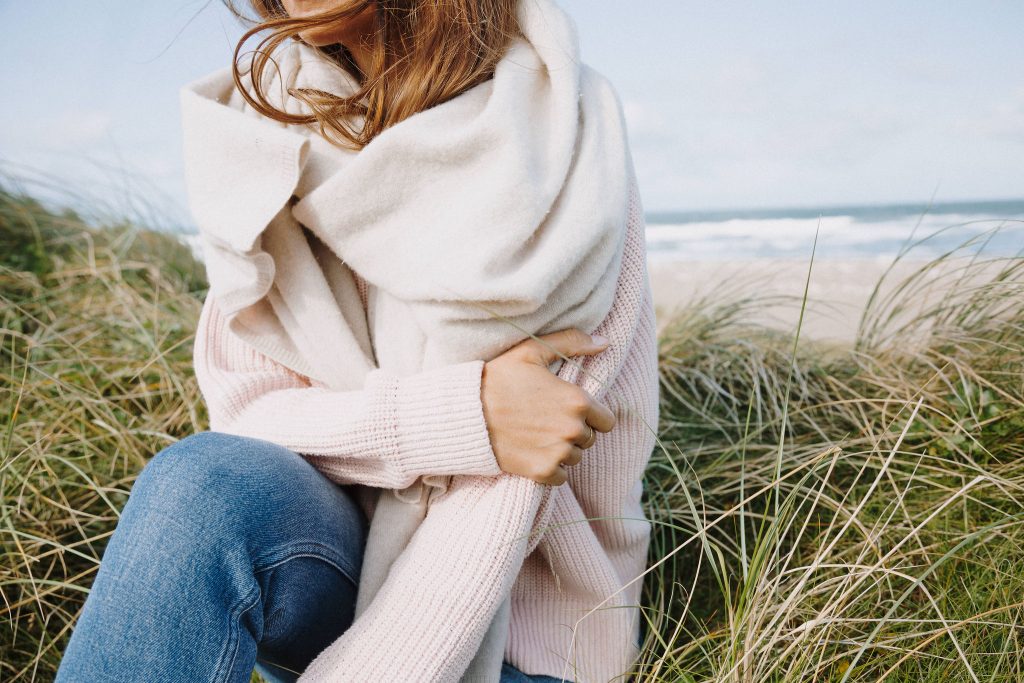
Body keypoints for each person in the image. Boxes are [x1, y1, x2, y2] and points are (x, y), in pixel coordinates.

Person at [54, 0, 660, 681]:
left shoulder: (557, 135)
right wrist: (461, 417)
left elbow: (500, 499)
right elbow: (250, 410)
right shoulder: (264, 138)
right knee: (201, 487)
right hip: (345, 572)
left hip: (519, 644)